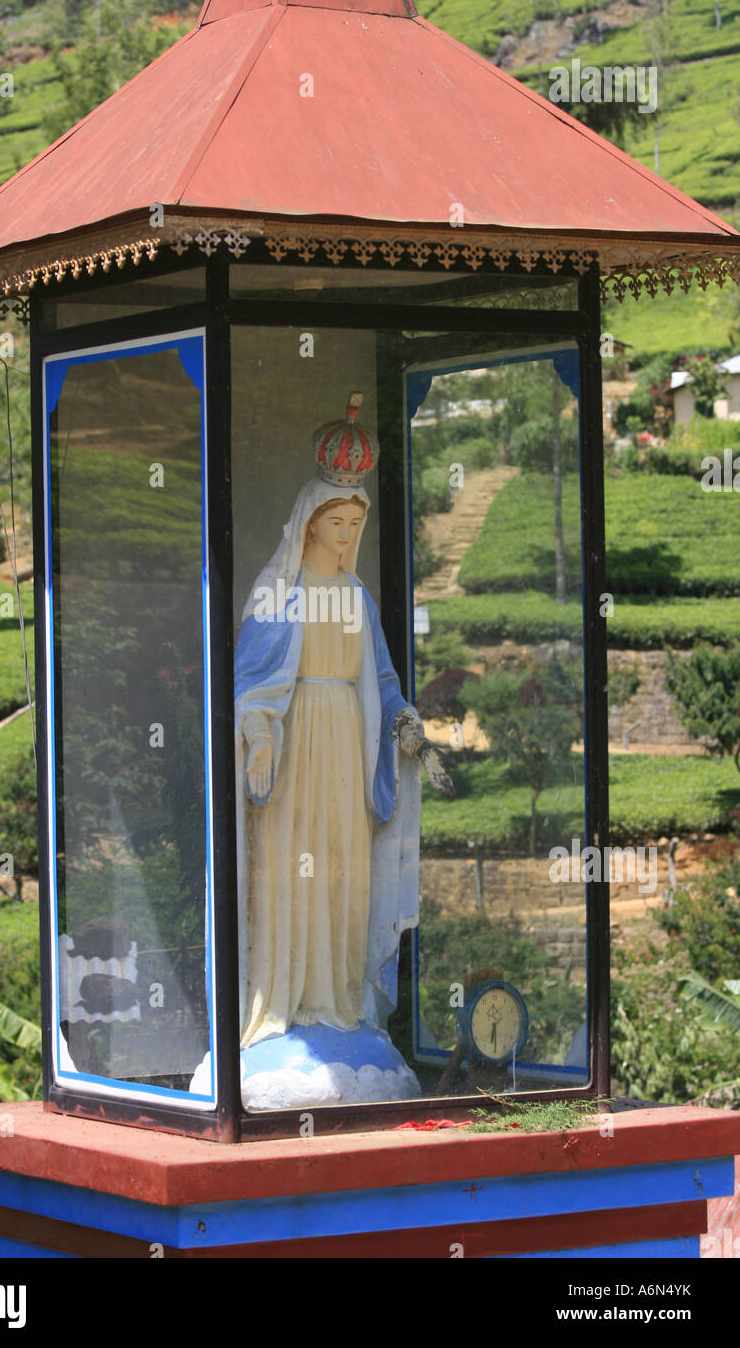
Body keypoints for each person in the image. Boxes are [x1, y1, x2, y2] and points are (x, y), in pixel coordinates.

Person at [233, 419, 454, 1057]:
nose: (348, 535)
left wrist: (410, 731)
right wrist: (259, 734)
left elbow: (381, 678)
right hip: (295, 743)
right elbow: (250, 678)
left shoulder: (356, 597)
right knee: (289, 872)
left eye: (356, 526)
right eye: (338, 524)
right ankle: (285, 999)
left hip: (348, 748)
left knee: (341, 873)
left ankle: (340, 1002)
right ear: (310, 524)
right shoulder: (279, 593)